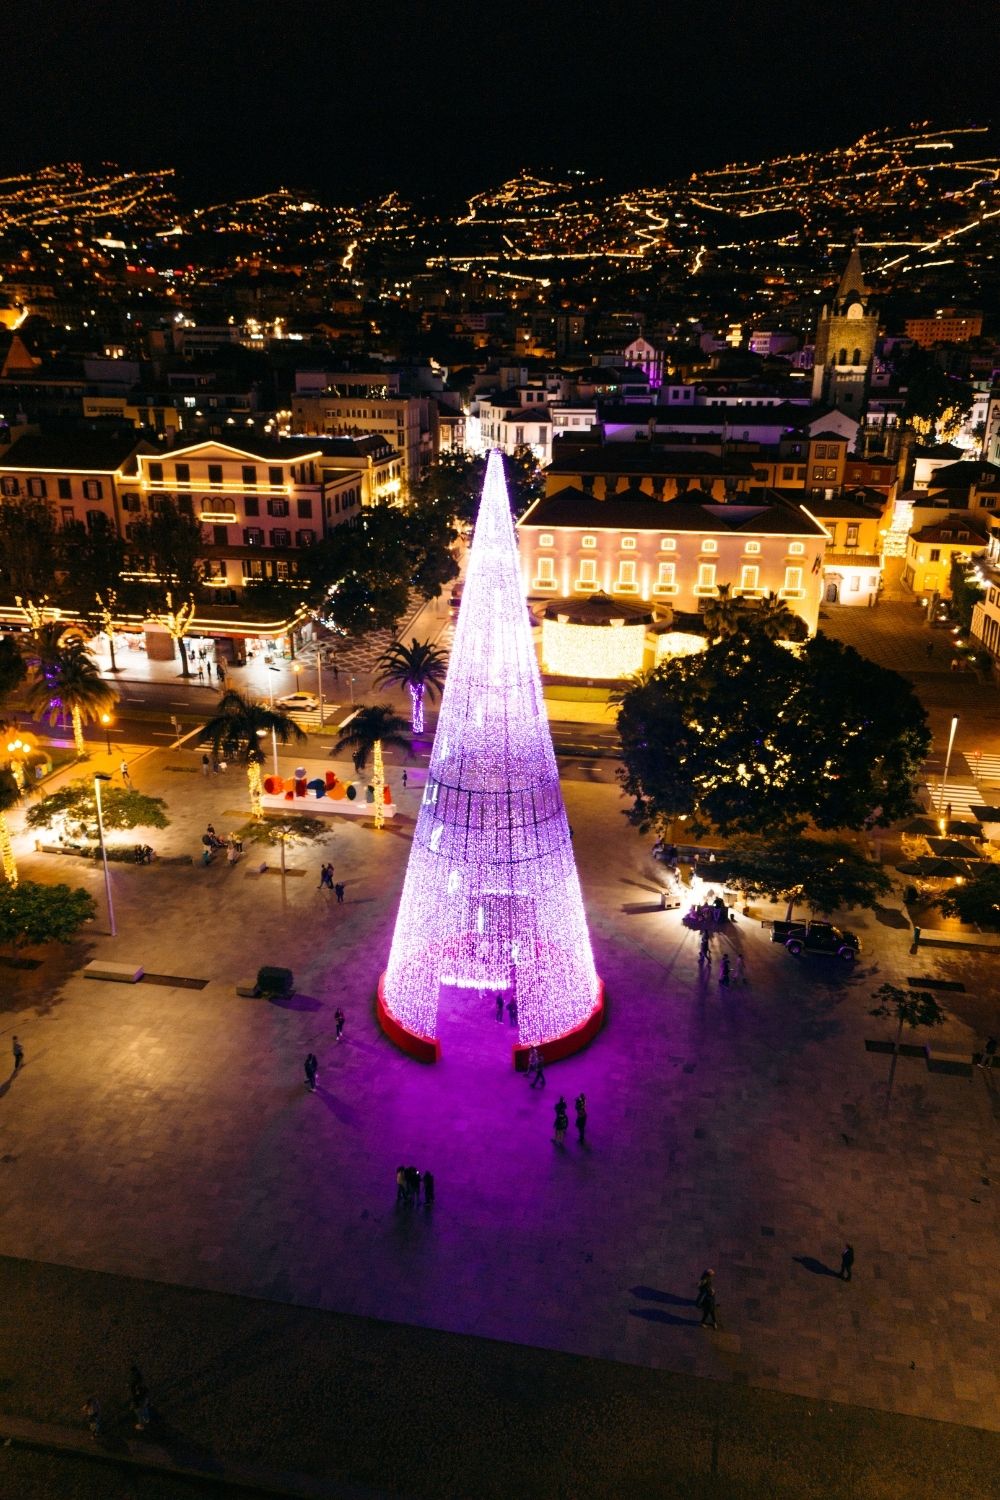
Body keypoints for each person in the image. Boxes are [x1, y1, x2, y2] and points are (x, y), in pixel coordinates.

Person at [129, 1365, 150, 1432]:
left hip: (139, 1401)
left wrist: (134, 1403)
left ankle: (141, 1425)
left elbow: (136, 1396)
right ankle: (146, 1419)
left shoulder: (136, 1386)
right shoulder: (142, 1380)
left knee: (139, 1413)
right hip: (144, 1399)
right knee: (144, 1408)